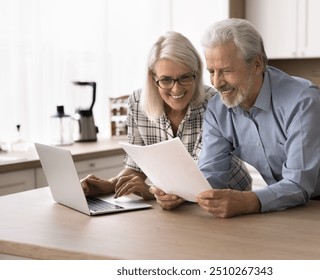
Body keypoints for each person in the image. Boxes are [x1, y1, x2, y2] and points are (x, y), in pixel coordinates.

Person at [196, 18, 320, 218]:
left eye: (227, 71)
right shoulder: (217, 109)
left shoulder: (302, 101)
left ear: (256, 64)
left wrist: (246, 200)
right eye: (212, 71)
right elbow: (211, 174)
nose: (217, 83)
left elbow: (298, 183)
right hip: (285, 200)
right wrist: (185, 192)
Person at [81, 31, 251, 210]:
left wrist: (149, 191)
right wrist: (110, 184)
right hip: (182, 205)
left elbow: (198, 179)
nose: (176, 89)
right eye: (166, 80)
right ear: (153, 79)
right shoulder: (137, 103)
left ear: (196, 72)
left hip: (229, 197)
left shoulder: (215, 104)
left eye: (185, 77)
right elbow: (136, 167)